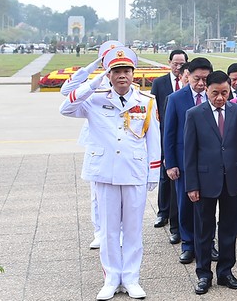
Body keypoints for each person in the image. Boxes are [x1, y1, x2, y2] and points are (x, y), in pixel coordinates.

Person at [61, 47, 161, 300]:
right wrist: (93, 82)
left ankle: (131, 278)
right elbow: (66, 107)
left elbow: (153, 139)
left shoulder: (146, 102)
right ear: (109, 74)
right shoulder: (95, 99)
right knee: (108, 231)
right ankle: (111, 278)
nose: (122, 76)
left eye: (126, 70)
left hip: (134, 171)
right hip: (104, 172)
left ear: (133, 74)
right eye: (116, 71)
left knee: (133, 229)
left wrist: (153, 174)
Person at [184, 71, 237, 295]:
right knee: (204, 230)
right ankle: (204, 274)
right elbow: (189, 153)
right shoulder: (194, 114)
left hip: (232, 179)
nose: (220, 98)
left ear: (230, 89)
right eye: (215, 93)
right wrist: (191, 185)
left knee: (228, 230)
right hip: (204, 181)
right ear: (206, 90)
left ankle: (225, 272)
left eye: (225, 92)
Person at [62, 42, 121, 251]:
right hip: (98, 143)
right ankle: (99, 232)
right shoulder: (95, 82)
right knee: (97, 193)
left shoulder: (124, 80)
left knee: (122, 191)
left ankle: (119, 231)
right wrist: (95, 67)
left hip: (120, 143)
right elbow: (66, 92)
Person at [164, 58, 216, 265]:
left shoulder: (215, 97)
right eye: (197, 79)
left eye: (205, 79)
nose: (202, 84)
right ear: (188, 75)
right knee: (185, 205)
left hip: (210, 164)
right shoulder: (176, 99)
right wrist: (171, 163)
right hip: (184, 164)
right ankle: (188, 244)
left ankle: (208, 244)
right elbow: (168, 133)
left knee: (208, 207)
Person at [151, 50, 187, 236]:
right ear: (170, 63)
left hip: (183, 137)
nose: (178, 66)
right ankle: (162, 212)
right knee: (165, 176)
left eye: (182, 63)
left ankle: (177, 219)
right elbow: (153, 110)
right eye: (175, 63)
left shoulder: (190, 83)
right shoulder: (160, 83)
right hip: (164, 134)